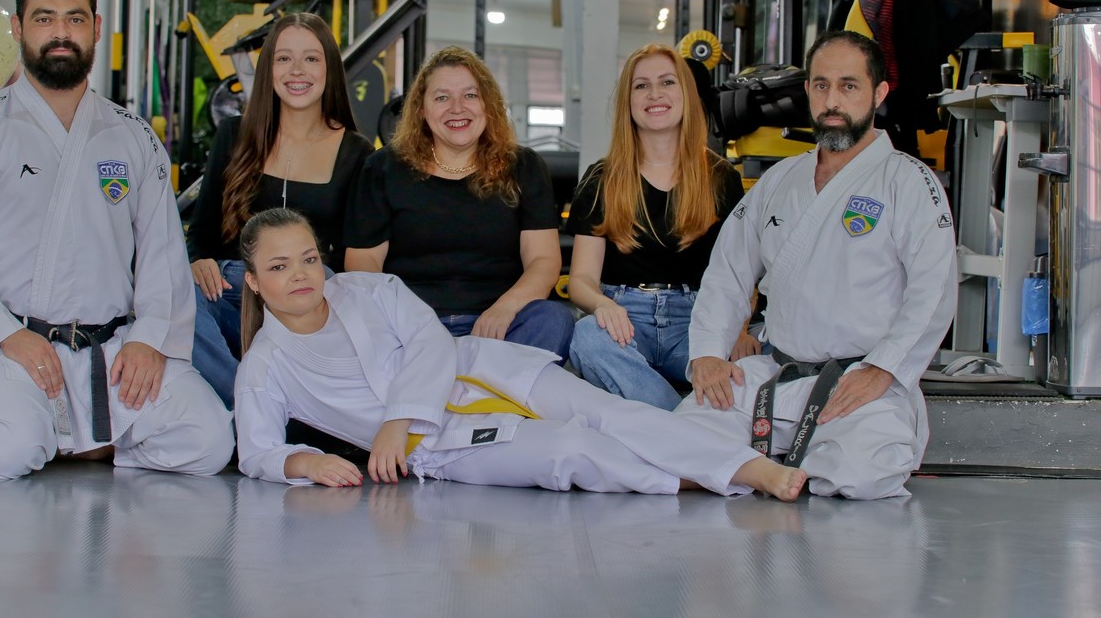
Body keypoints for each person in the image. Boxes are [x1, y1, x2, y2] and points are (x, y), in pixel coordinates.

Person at [234, 207, 807, 501]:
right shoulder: (265, 364)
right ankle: (692, 479)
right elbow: (257, 451)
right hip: (441, 448)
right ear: (254, 281)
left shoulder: (368, 290)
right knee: (570, 450)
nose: (301, 274)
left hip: (479, 369)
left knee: (609, 413)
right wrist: (307, 463)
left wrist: (394, 419)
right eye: (279, 267)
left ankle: (748, 468)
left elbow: (429, 339)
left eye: (308, 258)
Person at [0, 0, 233, 479]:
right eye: (44, 18)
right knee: (5, 452)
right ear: (18, 28)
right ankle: (81, 439)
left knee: (208, 440)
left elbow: (163, 252)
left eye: (75, 18)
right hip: (17, 345)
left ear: (96, 28)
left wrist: (150, 339)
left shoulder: (132, 135)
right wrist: (5, 336)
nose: (60, 32)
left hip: (113, 348)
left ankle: (82, 444)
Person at [674, 31, 958, 499]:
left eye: (849, 86)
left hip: (856, 383)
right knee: (676, 444)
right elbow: (727, 272)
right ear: (807, 90)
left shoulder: (908, 182)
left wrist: (883, 370)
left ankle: (765, 466)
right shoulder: (780, 179)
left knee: (862, 474)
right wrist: (707, 352)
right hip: (775, 375)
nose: (832, 101)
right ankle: (775, 469)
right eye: (822, 85)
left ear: (878, 93)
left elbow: (934, 291)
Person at [187, 13, 372, 409]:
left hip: (308, 299)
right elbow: (200, 233)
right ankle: (246, 404)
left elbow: (354, 259)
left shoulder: (356, 152)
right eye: (284, 58)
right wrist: (198, 261)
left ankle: (266, 405)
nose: (297, 70)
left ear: (329, 69)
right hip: (234, 290)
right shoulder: (233, 135)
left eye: (311, 58)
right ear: (268, 69)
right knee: (176, 294)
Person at [344, 45, 574, 361]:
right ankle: (476, 384)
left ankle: (469, 383)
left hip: (498, 327)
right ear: (421, 109)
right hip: (407, 327)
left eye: (470, 95)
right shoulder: (383, 168)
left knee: (554, 319)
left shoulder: (524, 167)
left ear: (488, 105)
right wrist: (405, 319)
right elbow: (363, 262)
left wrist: (504, 309)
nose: (457, 108)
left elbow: (543, 261)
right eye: (442, 97)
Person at [567, 44, 760, 410]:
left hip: (697, 319)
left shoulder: (720, 177)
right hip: (625, 318)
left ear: (685, 94)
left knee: (752, 360)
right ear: (628, 102)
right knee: (586, 338)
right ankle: (681, 424)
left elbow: (741, 271)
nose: (654, 93)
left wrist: (738, 329)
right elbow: (581, 280)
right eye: (641, 85)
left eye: (667, 82)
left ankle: (652, 419)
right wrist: (602, 305)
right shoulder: (602, 178)